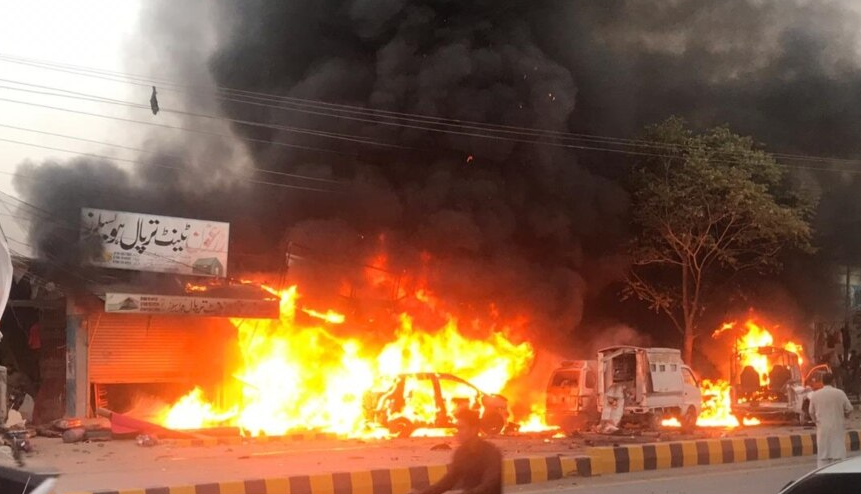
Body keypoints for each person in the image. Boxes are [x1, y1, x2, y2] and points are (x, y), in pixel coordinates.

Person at [413, 409, 502, 494]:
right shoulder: (461, 453)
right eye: (457, 429)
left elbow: (489, 485)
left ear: (473, 430)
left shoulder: (491, 453)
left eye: (461, 428)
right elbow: (448, 481)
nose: (458, 432)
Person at [808, 373, 854, 468]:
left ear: (822, 382)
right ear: (833, 381)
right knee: (838, 458)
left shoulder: (815, 395)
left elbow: (811, 412)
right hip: (837, 429)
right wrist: (845, 417)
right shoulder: (839, 393)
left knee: (823, 459)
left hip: (822, 431)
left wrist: (816, 422)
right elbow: (849, 409)